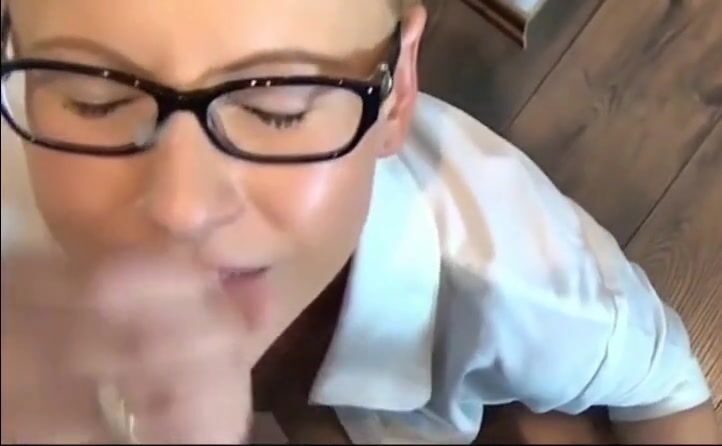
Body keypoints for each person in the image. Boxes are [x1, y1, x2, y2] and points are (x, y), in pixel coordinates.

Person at [0, 0, 718, 443]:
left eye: (279, 110)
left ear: (397, 91)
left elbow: (665, 389)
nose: (181, 207)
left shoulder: (527, 286)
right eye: (91, 100)